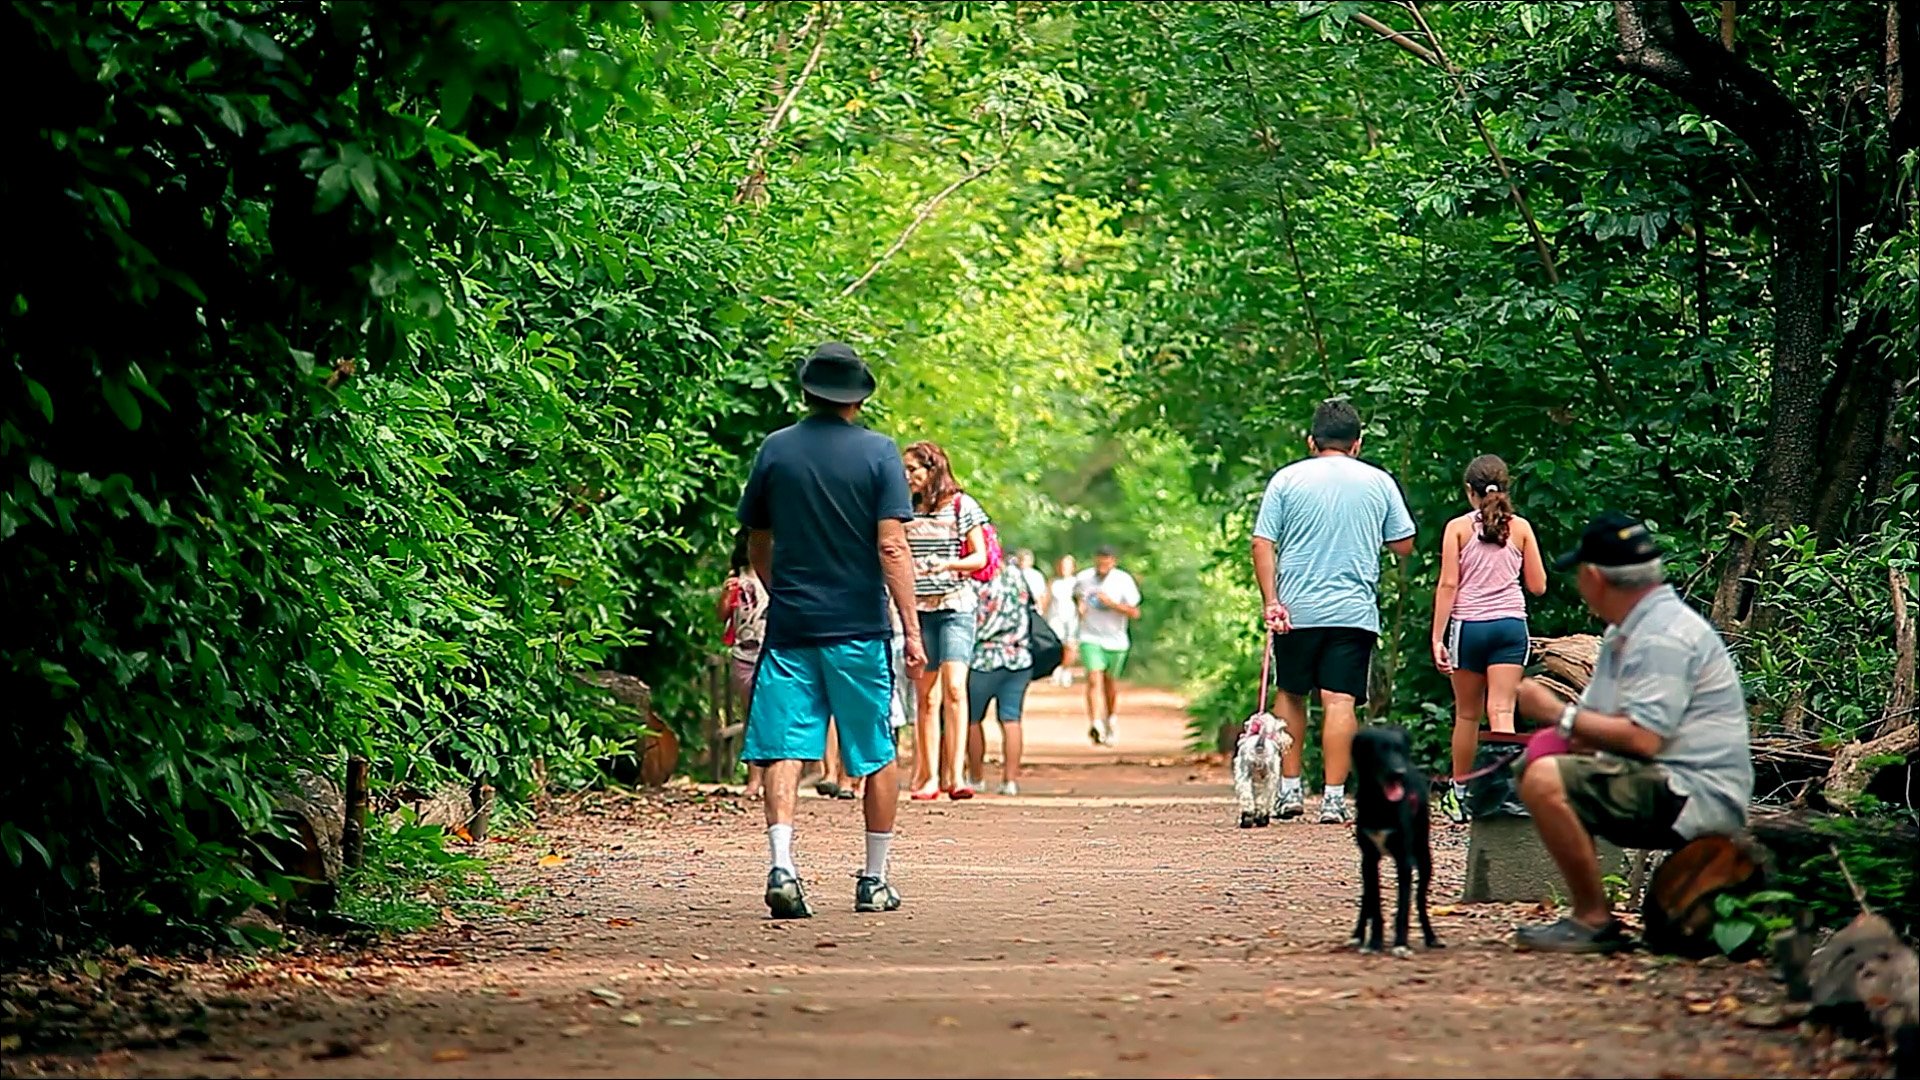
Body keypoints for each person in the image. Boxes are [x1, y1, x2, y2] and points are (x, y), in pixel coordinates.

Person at [736, 342, 925, 919]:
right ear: (860, 397)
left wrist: (781, 590)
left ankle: (782, 867)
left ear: (805, 392)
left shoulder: (776, 450)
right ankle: (873, 880)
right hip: (859, 629)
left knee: (784, 747)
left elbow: (758, 542)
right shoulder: (879, 453)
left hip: (791, 627)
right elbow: (891, 544)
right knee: (874, 750)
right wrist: (912, 630)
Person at [1510, 512, 1753, 953]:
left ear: (1594, 577)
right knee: (1535, 768)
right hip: (1661, 779)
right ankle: (1594, 913)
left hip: (1696, 792)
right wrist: (1564, 731)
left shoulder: (1665, 635)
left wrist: (1556, 714)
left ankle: (1592, 919)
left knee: (1546, 780)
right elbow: (1596, 727)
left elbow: (1644, 739)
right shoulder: (1627, 633)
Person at [1251, 398, 1416, 824]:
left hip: (1296, 608)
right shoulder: (1378, 482)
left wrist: (1272, 600)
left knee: (1291, 693)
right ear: (1357, 444)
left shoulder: (1286, 479)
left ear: (1311, 441)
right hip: (1353, 610)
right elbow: (1404, 543)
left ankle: (1289, 792)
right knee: (1340, 700)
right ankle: (1333, 798)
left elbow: (1262, 542)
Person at [1430, 455, 1547, 824]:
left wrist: (1438, 637)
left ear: (1469, 491)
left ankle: (1460, 794)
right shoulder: (1522, 529)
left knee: (1467, 714)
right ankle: (1503, 794)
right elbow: (1538, 585)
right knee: (1502, 711)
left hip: (1469, 627)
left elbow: (1449, 584)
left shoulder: (1457, 529)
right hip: (1510, 626)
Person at [903, 441, 991, 800]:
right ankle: (927, 777)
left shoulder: (961, 505)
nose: (907, 476)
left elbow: (980, 557)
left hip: (956, 606)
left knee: (955, 688)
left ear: (932, 469)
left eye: (913, 469)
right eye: (905, 470)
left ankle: (956, 776)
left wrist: (948, 564)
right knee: (925, 696)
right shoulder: (902, 508)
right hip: (919, 610)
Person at [965, 559, 1037, 795]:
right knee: (1011, 718)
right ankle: (1010, 781)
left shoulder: (975, 580)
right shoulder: (1016, 576)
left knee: (972, 719)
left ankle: (976, 777)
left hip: (983, 658)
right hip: (1019, 657)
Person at [717, 527, 770, 800]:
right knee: (750, 716)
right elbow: (721, 616)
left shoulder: (776, 573)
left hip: (772, 649)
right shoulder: (737, 577)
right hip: (744, 652)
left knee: (770, 714)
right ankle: (753, 778)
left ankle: (772, 777)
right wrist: (727, 596)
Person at [1074, 545, 1141, 746]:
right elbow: (1077, 596)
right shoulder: (1084, 578)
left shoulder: (1123, 580)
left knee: (1110, 683)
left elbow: (1134, 612)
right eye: (1099, 560)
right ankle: (1096, 724)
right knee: (1094, 679)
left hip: (1116, 639)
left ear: (1113, 561)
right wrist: (1080, 605)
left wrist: (1111, 604)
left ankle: (1110, 718)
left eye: (1107, 561)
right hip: (1090, 636)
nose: (1102, 565)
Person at [1045, 554, 1081, 687]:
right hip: (1055, 617)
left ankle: (1067, 671)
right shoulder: (1053, 582)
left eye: (1067, 565)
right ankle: (1056, 670)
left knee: (1071, 645)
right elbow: (1046, 600)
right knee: (1057, 645)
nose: (1064, 568)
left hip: (1071, 617)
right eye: (1062, 565)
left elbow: (1080, 601)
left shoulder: (1076, 582)